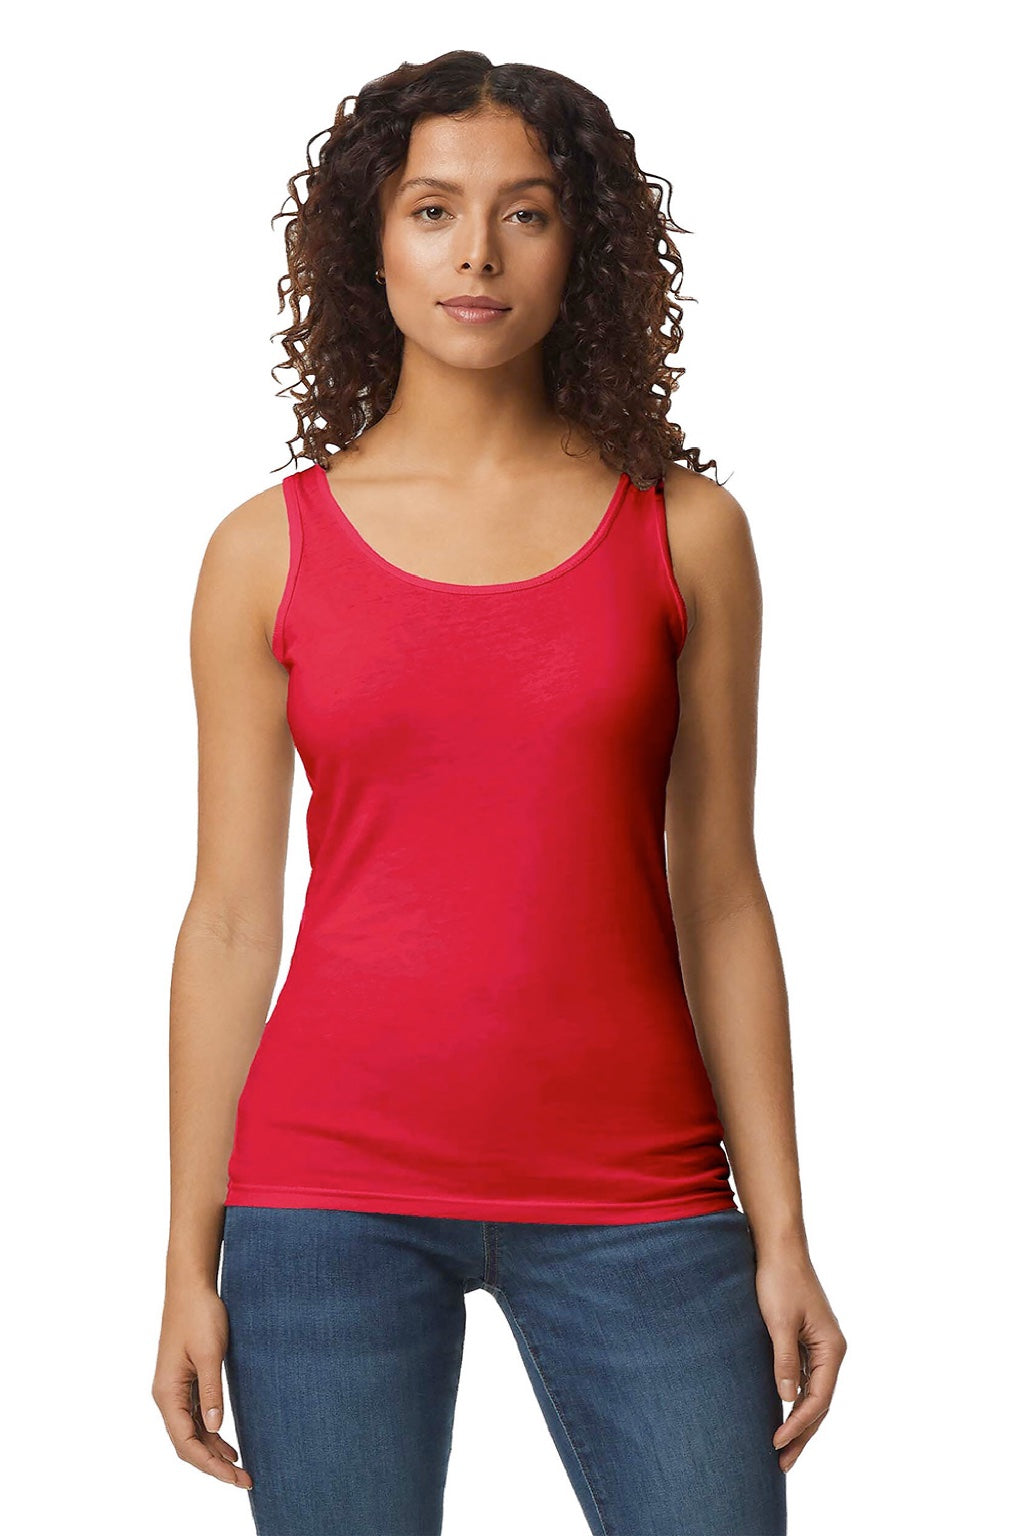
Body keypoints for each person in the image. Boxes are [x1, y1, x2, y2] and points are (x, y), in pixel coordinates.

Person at [151, 50, 847, 1536]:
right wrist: (183, 1260)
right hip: (325, 1199)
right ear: (371, 243)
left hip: (640, 1192)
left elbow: (722, 893)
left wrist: (782, 1230)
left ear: (583, 247)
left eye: (525, 212)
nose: (476, 252)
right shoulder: (264, 552)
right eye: (432, 210)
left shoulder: (685, 533)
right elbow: (228, 921)